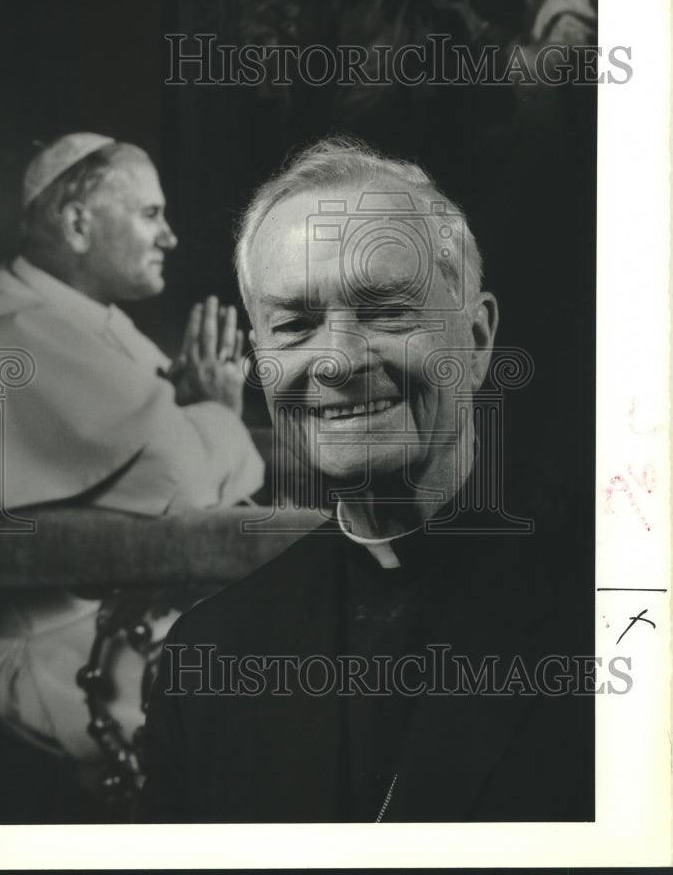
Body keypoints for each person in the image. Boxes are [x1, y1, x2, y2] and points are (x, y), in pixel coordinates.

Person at [139, 137, 593, 823]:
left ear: (475, 341)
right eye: (294, 325)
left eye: (385, 312)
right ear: (261, 363)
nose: (337, 361)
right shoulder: (206, 659)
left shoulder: (620, 604)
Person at [0, 133, 264, 762]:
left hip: (134, 622)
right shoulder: (13, 327)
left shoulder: (80, 316)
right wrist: (214, 409)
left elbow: (186, 461)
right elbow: (188, 487)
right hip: (68, 652)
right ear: (77, 223)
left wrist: (194, 414)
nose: (169, 236)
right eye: (150, 214)